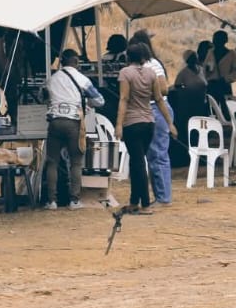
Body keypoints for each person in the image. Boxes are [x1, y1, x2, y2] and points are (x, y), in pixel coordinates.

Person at [116, 41, 176, 213]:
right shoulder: (151, 73)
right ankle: (135, 201)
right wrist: (170, 123)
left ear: (128, 57)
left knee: (138, 163)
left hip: (132, 122)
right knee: (141, 161)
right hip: (149, 121)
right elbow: (159, 98)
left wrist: (119, 124)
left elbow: (124, 99)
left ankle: (144, 204)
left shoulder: (125, 73)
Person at [43, 49, 105, 210]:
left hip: (55, 122)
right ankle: (74, 200)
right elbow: (100, 100)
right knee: (76, 163)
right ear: (76, 62)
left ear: (62, 62)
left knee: (52, 162)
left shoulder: (52, 79)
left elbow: (42, 94)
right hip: (74, 123)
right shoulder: (82, 79)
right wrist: (88, 104)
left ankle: (51, 201)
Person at [129, 29, 173, 204]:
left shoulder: (151, 65)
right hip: (149, 110)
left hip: (156, 109)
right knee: (152, 155)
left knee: (158, 154)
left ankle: (163, 197)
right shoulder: (146, 65)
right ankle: (160, 194)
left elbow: (163, 89)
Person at [169, 50, 208, 136]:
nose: (195, 58)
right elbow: (177, 85)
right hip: (189, 103)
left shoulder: (202, 70)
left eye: (195, 56)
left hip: (202, 102)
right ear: (187, 60)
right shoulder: (184, 72)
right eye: (192, 57)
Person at [208, 30, 236, 106]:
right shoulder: (210, 52)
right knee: (211, 109)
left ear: (225, 40)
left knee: (226, 109)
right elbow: (206, 68)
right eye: (215, 39)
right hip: (212, 86)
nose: (215, 41)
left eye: (218, 39)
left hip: (224, 86)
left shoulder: (232, 54)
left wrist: (226, 79)